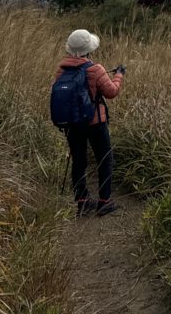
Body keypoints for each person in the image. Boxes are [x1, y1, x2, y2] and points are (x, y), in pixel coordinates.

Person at [53, 28, 125, 217]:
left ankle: (82, 201)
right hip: (95, 123)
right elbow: (111, 92)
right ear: (88, 49)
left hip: (72, 124)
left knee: (79, 161)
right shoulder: (95, 69)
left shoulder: (61, 70)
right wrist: (119, 75)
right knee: (105, 159)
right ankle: (104, 201)